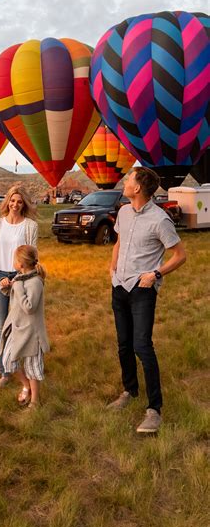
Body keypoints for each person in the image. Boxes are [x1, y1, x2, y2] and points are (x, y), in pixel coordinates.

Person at [107, 167, 186, 434]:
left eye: (129, 179)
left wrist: (155, 274)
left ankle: (154, 410)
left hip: (142, 290)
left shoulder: (160, 220)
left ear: (138, 187)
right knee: (124, 345)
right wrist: (112, 268)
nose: (125, 182)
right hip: (119, 286)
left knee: (142, 346)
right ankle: (129, 390)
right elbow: (119, 241)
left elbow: (179, 255)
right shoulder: (124, 211)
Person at [0, 185, 38, 387]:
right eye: (12, 201)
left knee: (20, 326)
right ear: (7, 202)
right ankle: (5, 372)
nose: (15, 204)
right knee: (0, 328)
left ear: (24, 204)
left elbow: (32, 258)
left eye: (19, 202)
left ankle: (26, 368)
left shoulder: (30, 226)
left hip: (19, 279)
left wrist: (19, 280)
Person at [0, 245, 50, 409]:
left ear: (21, 263)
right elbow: (16, 299)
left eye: (14, 259)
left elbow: (29, 307)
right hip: (16, 329)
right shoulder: (20, 278)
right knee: (8, 361)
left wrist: (17, 286)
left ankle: (35, 401)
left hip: (31, 332)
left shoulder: (35, 282)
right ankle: (26, 385)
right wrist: (6, 287)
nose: (12, 262)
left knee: (32, 366)